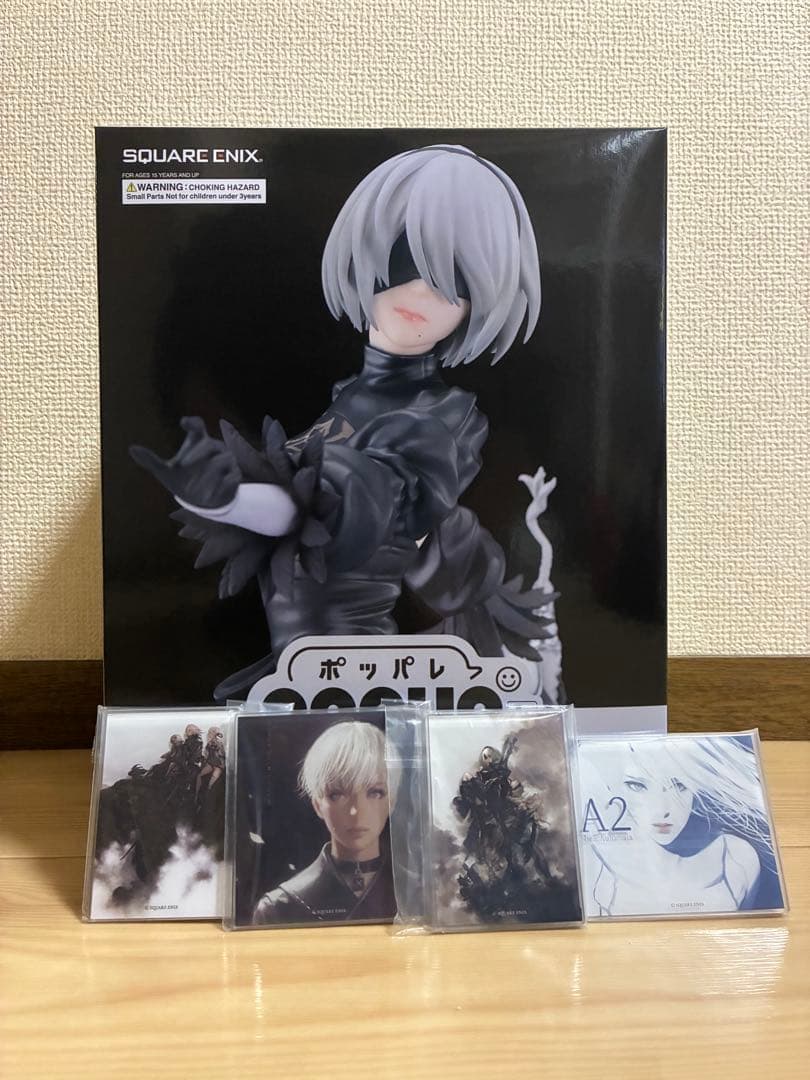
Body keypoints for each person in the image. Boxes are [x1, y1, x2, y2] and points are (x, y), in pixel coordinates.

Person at [130, 145, 560, 701]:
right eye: (403, 259)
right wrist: (225, 499)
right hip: (305, 664)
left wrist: (233, 499)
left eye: (455, 280)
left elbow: (338, 503)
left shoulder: (438, 421)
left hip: (358, 671)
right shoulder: (347, 400)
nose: (422, 292)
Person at [580, 735, 784, 916]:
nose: (661, 810)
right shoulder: (595, 862)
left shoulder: (737, 858)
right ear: (615, 787)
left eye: (679, 786)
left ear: (697, 788)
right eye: (637, 786)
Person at [253, 721, 397, 924]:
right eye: (337, 794)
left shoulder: (422, 893)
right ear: (317, 804)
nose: (356, 811)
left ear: (392, 801)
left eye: (374, 792)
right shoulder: (278, 908)